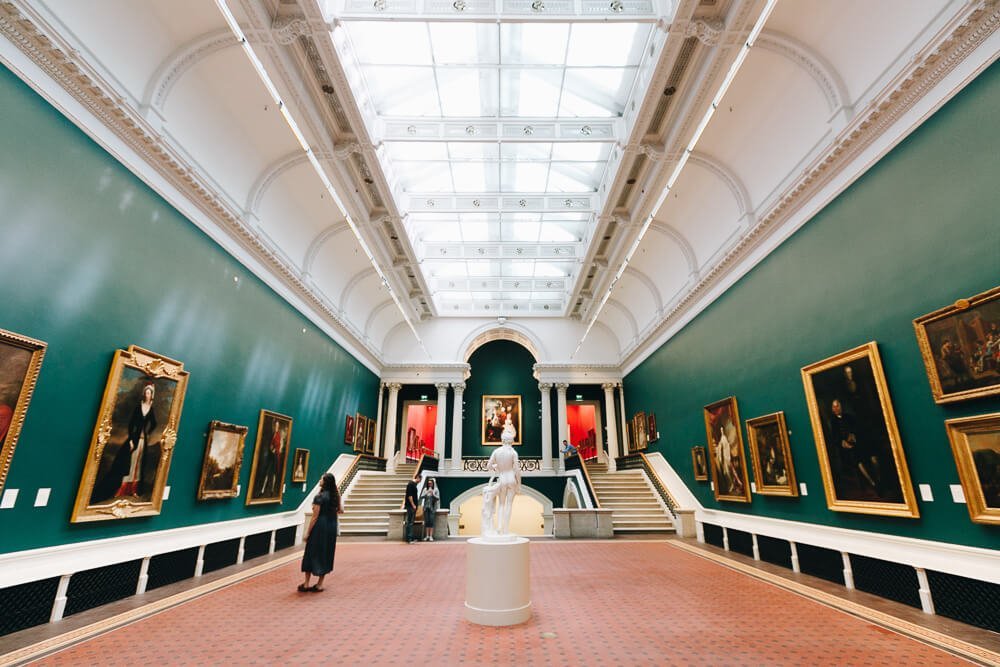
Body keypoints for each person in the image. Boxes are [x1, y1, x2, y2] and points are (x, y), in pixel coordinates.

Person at [300, 472, 343, 593]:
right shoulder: (336, 496)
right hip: (331, 526)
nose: (319, 481)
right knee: (326, 552)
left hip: (320, 526)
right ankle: (319, 584)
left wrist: (308, 533)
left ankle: (307, 583)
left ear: (325, 482)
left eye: (321, 479)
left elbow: (314, 517)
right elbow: (341, 510)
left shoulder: (319, 497)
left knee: (311, 551)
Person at [113, 383, 157, 498]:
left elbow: (154, 424)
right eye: (146, 393)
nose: (148, 395)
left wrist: (147, 432)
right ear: (144, 394)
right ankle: (122, 489)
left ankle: (133, 490)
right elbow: (131, 424)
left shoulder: (151, 409)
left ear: (151, 395)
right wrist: (131, 440)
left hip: (143, 441)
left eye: (150, 393)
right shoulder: (139, 407)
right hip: (135, 439)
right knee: (130, 463)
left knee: (139, 464)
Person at [484, 417, 521, 536]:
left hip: (502, 480)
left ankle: (499, 527)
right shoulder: (513, 453)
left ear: (502, 440)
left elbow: (488, 466)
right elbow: (517, 470)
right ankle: (505, 529)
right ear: (511, 441)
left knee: (501, 504)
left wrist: (496, 467)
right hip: (511, 480)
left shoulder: (496, 451)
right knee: (509, 504)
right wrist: (519, 484)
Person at [420, 477, 440, 541]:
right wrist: (426, 493)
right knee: (426, 522)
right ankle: (427, 536)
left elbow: (437, 498)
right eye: (428, 483)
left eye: (431, 483)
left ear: (433, 483)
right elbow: (421, 496)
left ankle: (431, 536)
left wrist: (433, 494)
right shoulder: (425, 489)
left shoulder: (436, 489)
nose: (429, 484)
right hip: (426, 508)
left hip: (432, 508)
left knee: (431, 521)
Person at [402, 471, 420, 543]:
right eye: (419, 480)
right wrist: (413, 505)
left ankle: (411, 538)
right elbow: (410, 496)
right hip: (411, 506)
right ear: (417, 478)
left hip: (412, 506)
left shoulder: (413, 484)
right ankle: (409, 539)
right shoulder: (411, 484)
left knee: (411, 522)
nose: (419, 482)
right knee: (410, 522)